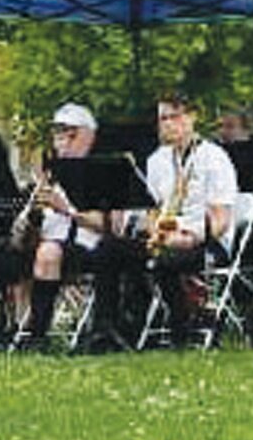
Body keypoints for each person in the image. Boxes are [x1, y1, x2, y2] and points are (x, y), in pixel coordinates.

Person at [17, 103, 131, 351]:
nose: (62, 140)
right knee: (4, 253)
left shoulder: (105, 173)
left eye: (70, 133)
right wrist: (32, 217)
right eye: (57, 133)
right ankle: (8, 330)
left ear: (88, 136)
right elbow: (30, 232)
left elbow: (115, 226)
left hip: (88, 249)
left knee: (49, 252)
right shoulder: (50, 176)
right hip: (46, 248)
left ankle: (38, 335)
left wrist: (67, 210)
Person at [143, 92, 239, 346]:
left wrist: (191, 236)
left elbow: (221, 219)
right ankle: (114, 329)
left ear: (191, 117)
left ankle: (181, 324)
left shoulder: (215, 158)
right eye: (162, 119)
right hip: (165, 234)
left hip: (205, 238)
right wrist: (157, 233)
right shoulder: (156, 160)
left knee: (168, 261)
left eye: (174, 117)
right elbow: (152, 210)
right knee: (110, 250)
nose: (168, 124)